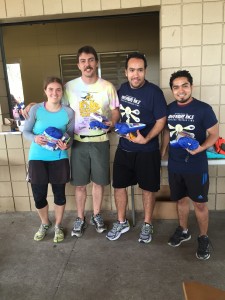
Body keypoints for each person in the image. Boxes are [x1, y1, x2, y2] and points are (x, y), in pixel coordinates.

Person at [106, 52, 167, 243]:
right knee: (119, 186)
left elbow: (161, 120)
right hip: (124, 148)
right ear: (126, 72)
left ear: (145, 71)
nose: (136, 74)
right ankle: (122, 221)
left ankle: (147, 224)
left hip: (147, 151)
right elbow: (115, 112)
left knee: (148, 188)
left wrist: (146, 138)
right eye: (132, 70)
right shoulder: (121, 90)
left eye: (140, 70)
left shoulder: (154, 92)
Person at [63, 45, 120, 238]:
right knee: (79, 184)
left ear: (96, 62)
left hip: (101, 140)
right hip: (78, 142)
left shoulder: (107, 87)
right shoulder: (69, 87)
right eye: (83, 61)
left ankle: (96, 215)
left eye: (90, 60)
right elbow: (56, 106)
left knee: (98, 182)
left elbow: (115, 110)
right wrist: (34, 106)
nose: (87, 64)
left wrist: (112, 122)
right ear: (78, 65)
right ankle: (80, 218)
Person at [161, 70, 219, 260]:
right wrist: (163, 153)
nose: (181, 90)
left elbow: (214, 134)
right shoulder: (169, 109)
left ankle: (203, 237)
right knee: (180, 200)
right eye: (176, 87)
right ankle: (184, 230)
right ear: (172, 90)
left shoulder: (204, 109)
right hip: (175, 165)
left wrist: (200, 148)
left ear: (191, 87)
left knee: (200, 204)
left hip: (196, 165)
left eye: (184, 85)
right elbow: (167, 133)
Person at [23, 77, 74, 243]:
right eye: (50, 89)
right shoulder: (36, 109)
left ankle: (58, 225)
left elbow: (71, 137)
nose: (54, 93)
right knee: (39, 196)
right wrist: (35, 138)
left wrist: (66, 144)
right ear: (45, 91)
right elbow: (26, 131)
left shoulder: (68, 112)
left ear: (62, 92)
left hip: (59, 158)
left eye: (58, 89)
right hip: (37, 158)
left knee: (59, 194)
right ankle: (45, 223)